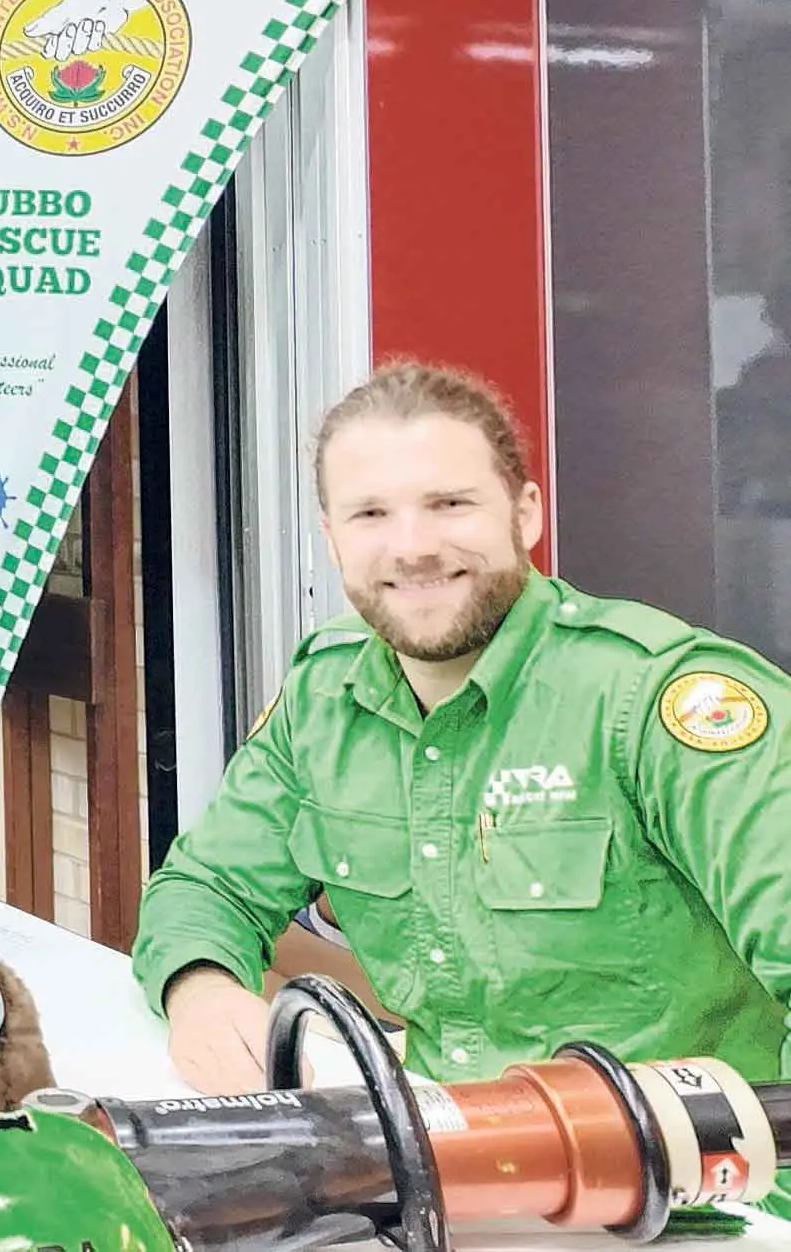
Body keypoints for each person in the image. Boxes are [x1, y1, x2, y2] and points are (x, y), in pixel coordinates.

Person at [135, 361, 791, 1097]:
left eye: (448, 504)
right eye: (370, 515)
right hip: (448, 1159)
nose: (411, 546)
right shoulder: (324, 696)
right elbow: (205, 886)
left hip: (699, 1192)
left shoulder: (654, 701)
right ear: (331, 537)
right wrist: (202, 989)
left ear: (525, 514)